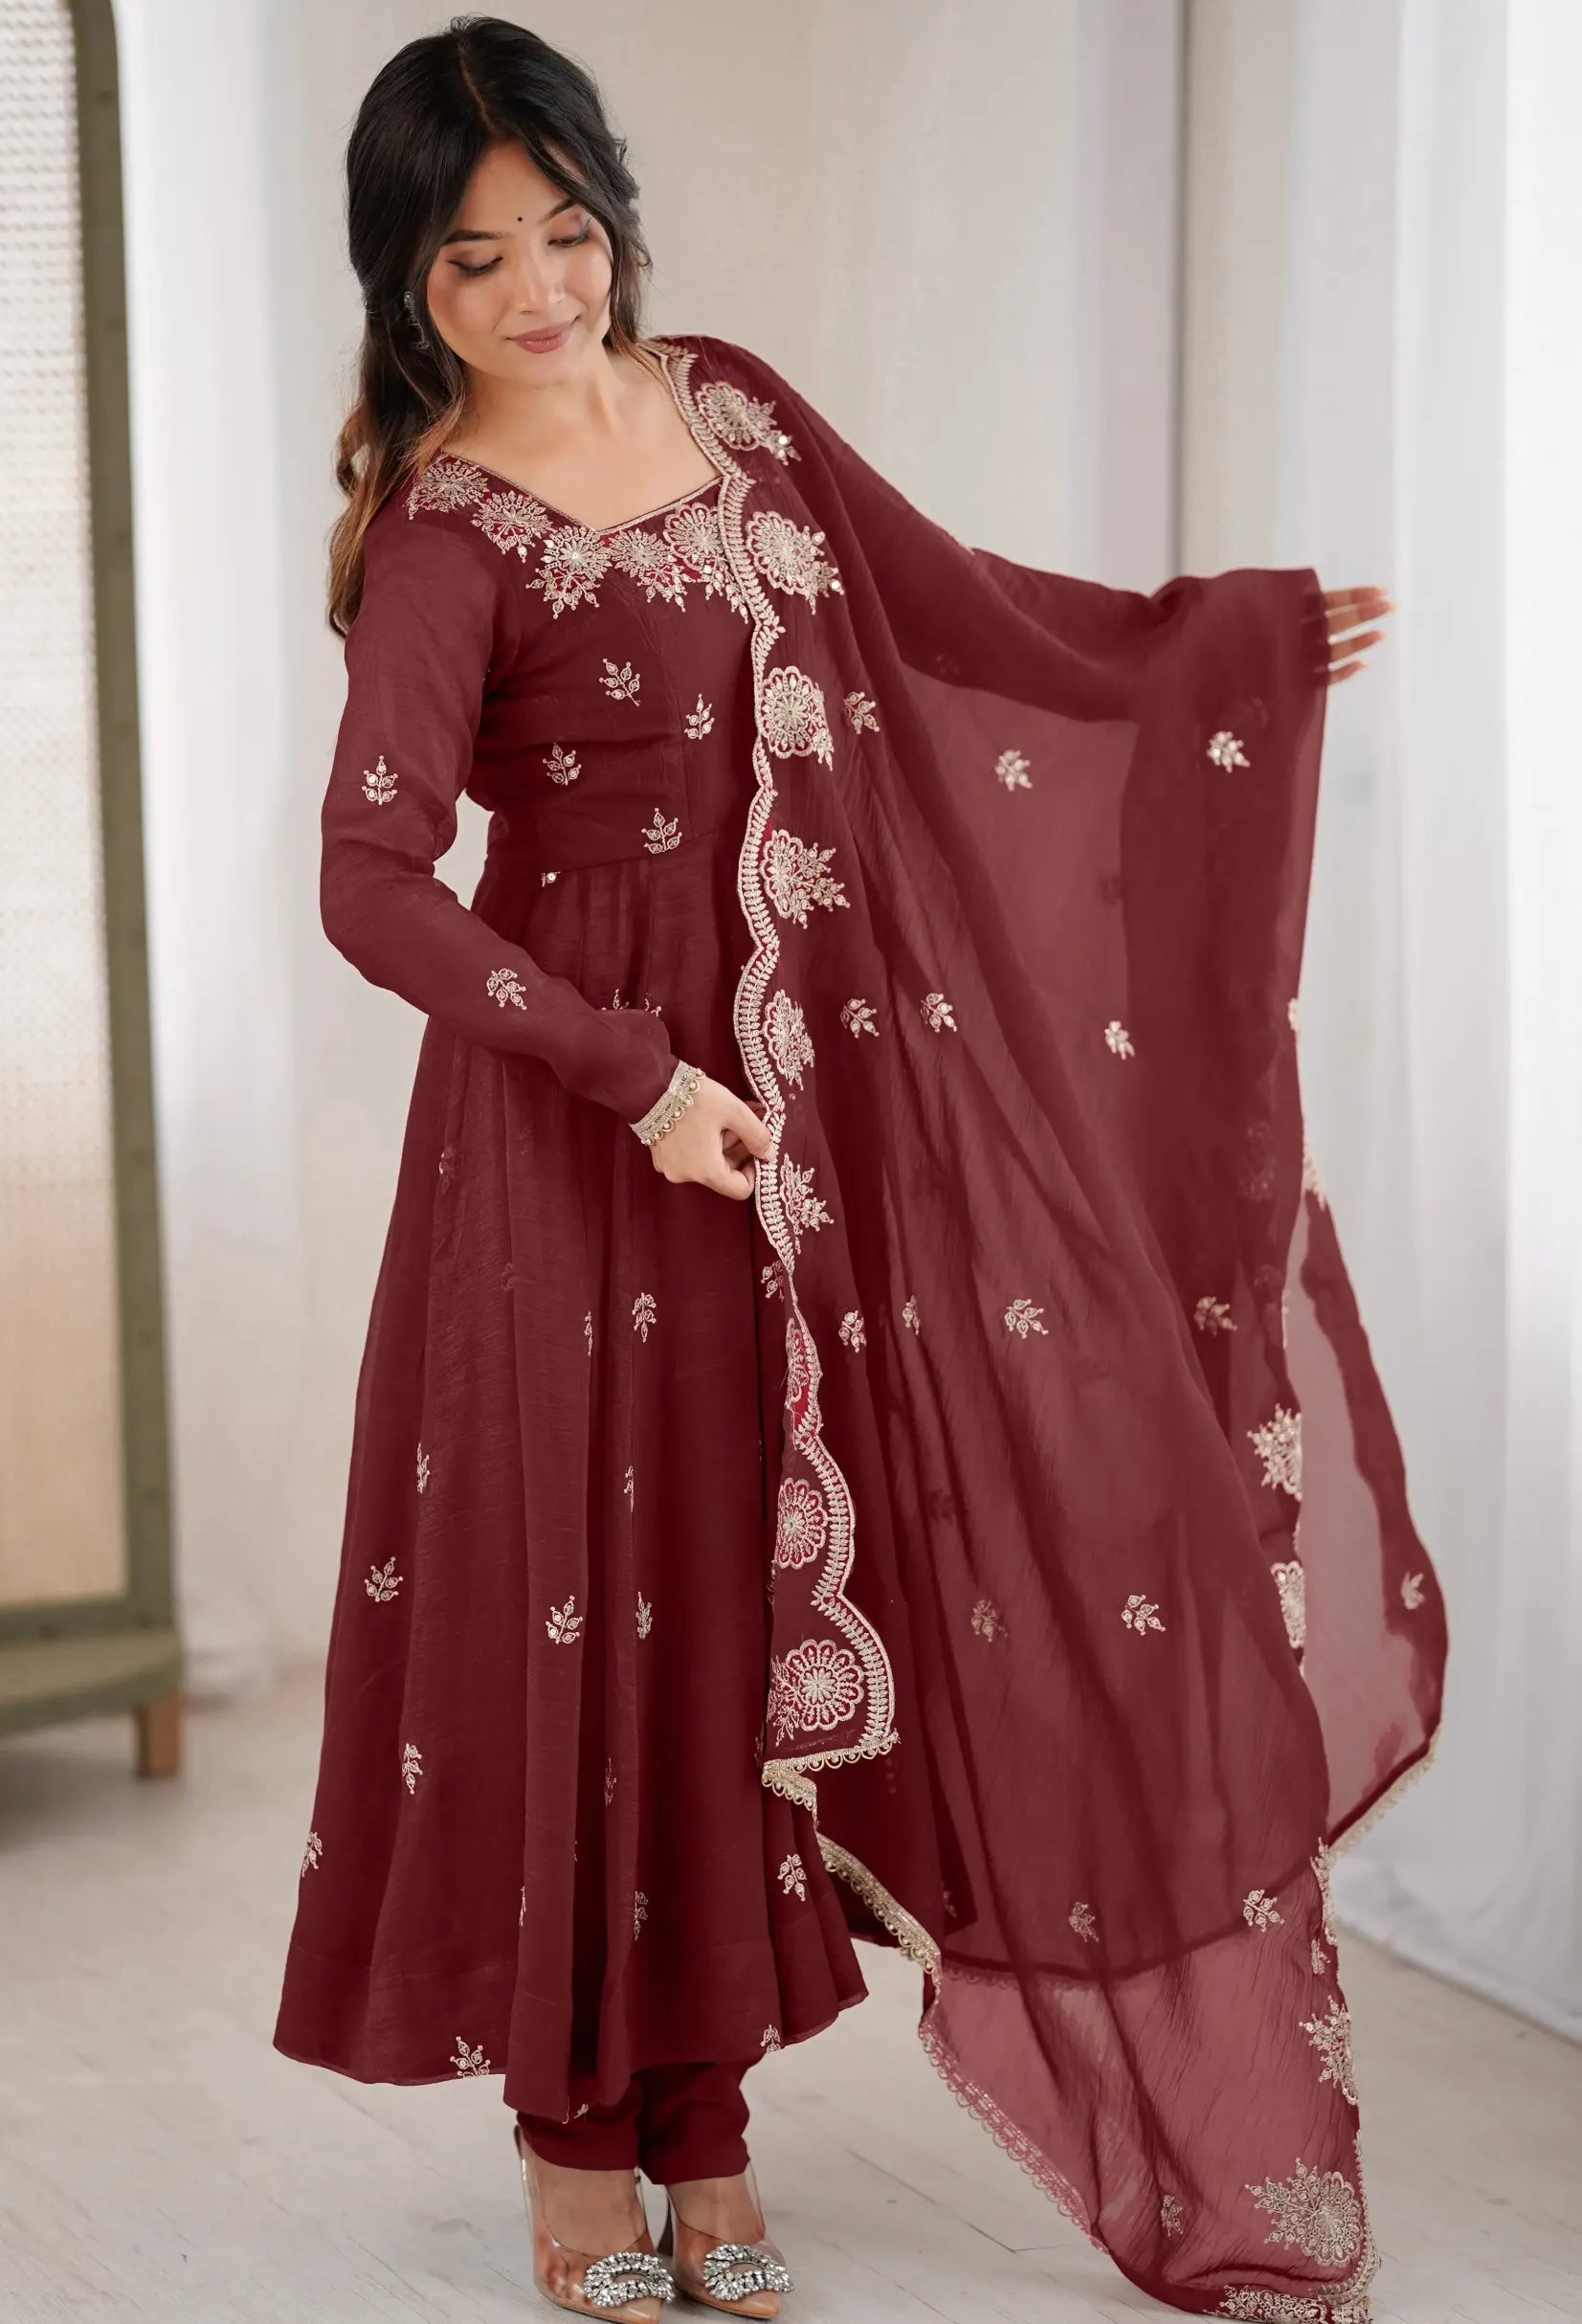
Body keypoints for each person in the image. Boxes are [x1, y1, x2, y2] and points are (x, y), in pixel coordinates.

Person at [273, 18, 1445, 2323]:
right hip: (576, 1139)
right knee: (574, 1596)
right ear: (408, 285)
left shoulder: (726, 405)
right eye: (474, 256)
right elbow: (372, 881)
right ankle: (572, 2150)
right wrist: (631, 1078)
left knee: (727, 1606)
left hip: (800, 1101)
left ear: (612, 212)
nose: (536, 291)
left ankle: (703, 2124)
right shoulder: (437, 532)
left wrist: (1203, 647)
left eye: (566, 229)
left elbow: (938, 607)